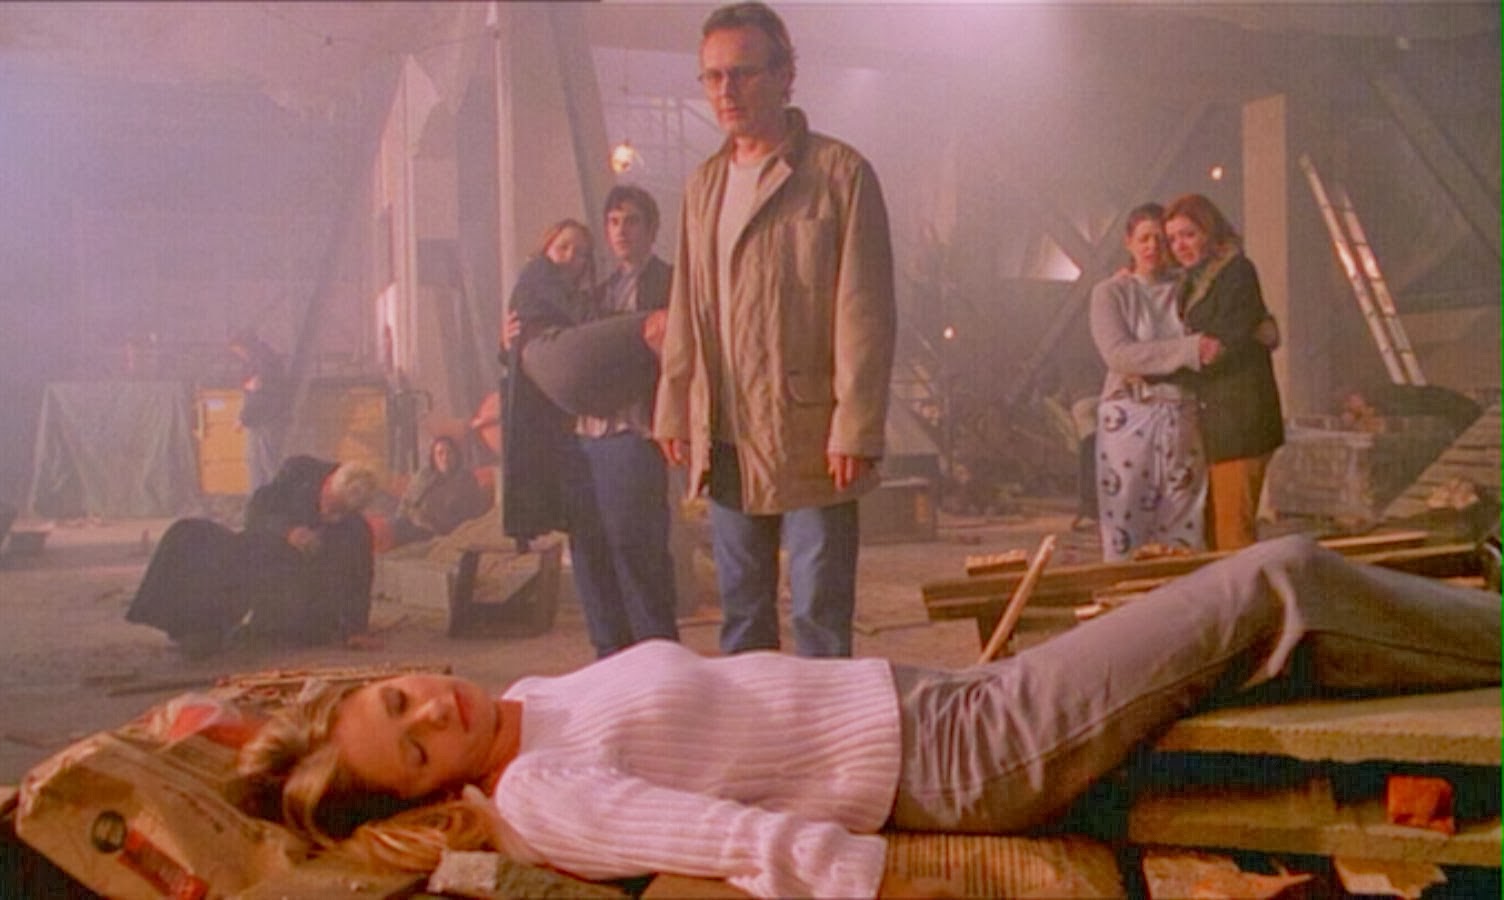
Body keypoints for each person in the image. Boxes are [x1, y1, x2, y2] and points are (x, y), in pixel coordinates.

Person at [237, 534, 1500, 898]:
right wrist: (889, 879)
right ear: (432, 788)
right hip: (961, 759)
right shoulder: (542, 792)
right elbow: (732, 842)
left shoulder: (525, 704)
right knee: (1273, 584)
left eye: (400, 698)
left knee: (1265, 647)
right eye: (415, 746)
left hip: (932, 704)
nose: (432, 708)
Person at [652, 1, 897, 658]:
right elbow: (687, 304)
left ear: (787, 74)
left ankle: (829, 722)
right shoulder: (704, 186)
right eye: (712, 76)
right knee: (743, 613)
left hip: (810, 430)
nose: (725, 90)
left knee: (819, 610)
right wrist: (674, 405)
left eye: (743, 72)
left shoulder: (838, 175)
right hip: (727, 429)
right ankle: (753, 722)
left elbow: (864, 312)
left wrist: (856, 425)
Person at [553, 186, 681, 657]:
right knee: (589, 549)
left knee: (637, 548)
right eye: (613, 222)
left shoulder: (672, 285)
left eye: (631, 220)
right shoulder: (595, 294)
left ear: (652, 228)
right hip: (586, 437)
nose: (621, 230)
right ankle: (609, 656)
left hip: (634, 433)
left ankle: (657, 655)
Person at [126, 456, 378, 657]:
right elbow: (256, 511)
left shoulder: (355, 527)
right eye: (330, 505)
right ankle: (196, 626)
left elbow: (360, 576)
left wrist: (357, 629)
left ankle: (257, 628)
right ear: (329, 484)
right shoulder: (298, 472)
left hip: (298, 584)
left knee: (303, 628)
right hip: (258, 551)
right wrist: (287, 531)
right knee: (190, 535)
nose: (330, 514)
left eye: (341, 512)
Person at [1088, 203, 1213, 561]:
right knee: (1125, 516)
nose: (1152, 247)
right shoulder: (1110, 293)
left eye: (1161, 239)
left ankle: (1180, 592)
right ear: (1128, 242)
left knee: (1184, 517)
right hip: (1129, 414)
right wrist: (1189, 350)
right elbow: (1119, 355)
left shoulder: (1189, 289)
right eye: (1144, 239)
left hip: (1181, 413)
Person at [1164, 193, 1285, 551]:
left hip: (1240, 421)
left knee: (1233, 535)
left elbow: (1220, 346)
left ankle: (1246, 590)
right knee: (1216, 533)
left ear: (1209, 230)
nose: (1180, 245)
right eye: (1173, 238)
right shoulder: (1191, 282)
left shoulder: (1236, 272)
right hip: (1218, 424)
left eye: (1188, 234)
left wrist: (1156, 371)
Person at [498, 220, 596, 547]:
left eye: (580, 253)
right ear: (546, 248)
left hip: (546, 409)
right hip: (540, 410)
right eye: (563, 247)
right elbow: (577, 319)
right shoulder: (539, 277)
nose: (570, 258)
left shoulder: (552, 290)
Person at [390, 436, 492, 547]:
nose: (445, 458)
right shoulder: (423, 476)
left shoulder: (466, 480)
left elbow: (471, 514)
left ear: (456, 455)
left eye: (449, 453)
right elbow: (406, 503)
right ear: (433, 457)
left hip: (440, 534)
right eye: (440, 453)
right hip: (412, 526)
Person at [228, 331, 292, 490]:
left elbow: (257, 395)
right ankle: (270, 497)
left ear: (245, 347)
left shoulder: (262, 363)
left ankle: (266, 497)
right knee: (264, 461)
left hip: (265, 419)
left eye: (238, 351)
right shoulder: (266, 359)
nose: (239, 355)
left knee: (262, 462)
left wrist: (243, 418)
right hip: (265, 419)